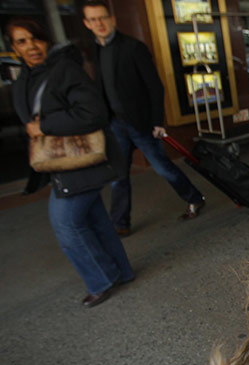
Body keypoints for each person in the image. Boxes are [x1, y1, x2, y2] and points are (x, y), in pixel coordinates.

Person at [8, 17, 134, 308]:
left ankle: (101, 279)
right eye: (22, 41)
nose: (31, 46)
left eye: (35, 38)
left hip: (80, 163)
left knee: (65, 224)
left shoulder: (63, 70)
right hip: (62, 164)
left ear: (46, 39)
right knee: (96, 220)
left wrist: (45, 126)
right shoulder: (27, 76)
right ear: (13, 47)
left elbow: (94, 113)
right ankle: (123, 272)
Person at [81, 0, 205, 237]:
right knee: (119, 175)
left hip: (141, 123)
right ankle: (120, 223)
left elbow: (154, 87)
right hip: (115, 123)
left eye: (103, 18)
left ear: (112, 19)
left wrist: (158, 121)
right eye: (93, 20)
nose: (100, 23)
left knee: (162, 168)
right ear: (87, 24)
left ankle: (194, 198)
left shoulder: (133, 47)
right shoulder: (94, 51)